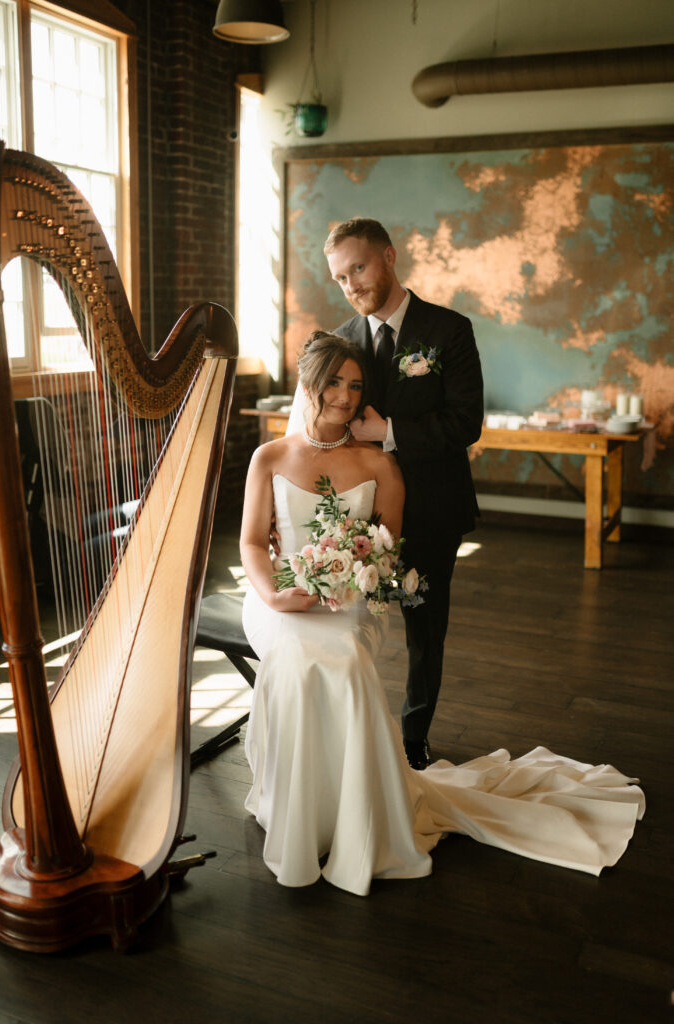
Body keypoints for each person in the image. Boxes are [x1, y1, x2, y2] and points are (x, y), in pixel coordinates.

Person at [240, 331, 644, 897]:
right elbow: (253, 545)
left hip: (353, 598)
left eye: (356, 385)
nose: (345, 395)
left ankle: (352, 815)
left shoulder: (381, 464)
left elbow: (384, 550)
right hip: (277, 597)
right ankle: (295, 806)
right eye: (334, 381)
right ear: (309, 381)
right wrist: (276, 595)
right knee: (294, 653)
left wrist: (345, 578)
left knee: (345, 661)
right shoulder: (270, 457)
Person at [288, 217, 484, 771]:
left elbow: (465, 422)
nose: (351, 284)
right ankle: (350, 736)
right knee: (349, 623)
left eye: (359, 267)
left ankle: (414, 736)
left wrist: (390, 431)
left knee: (424, 626)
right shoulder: (340, 341)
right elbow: (318, 427)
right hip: (352, 513)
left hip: (430, 511)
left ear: (389, 257)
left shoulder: (448, 331)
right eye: (340, 277)